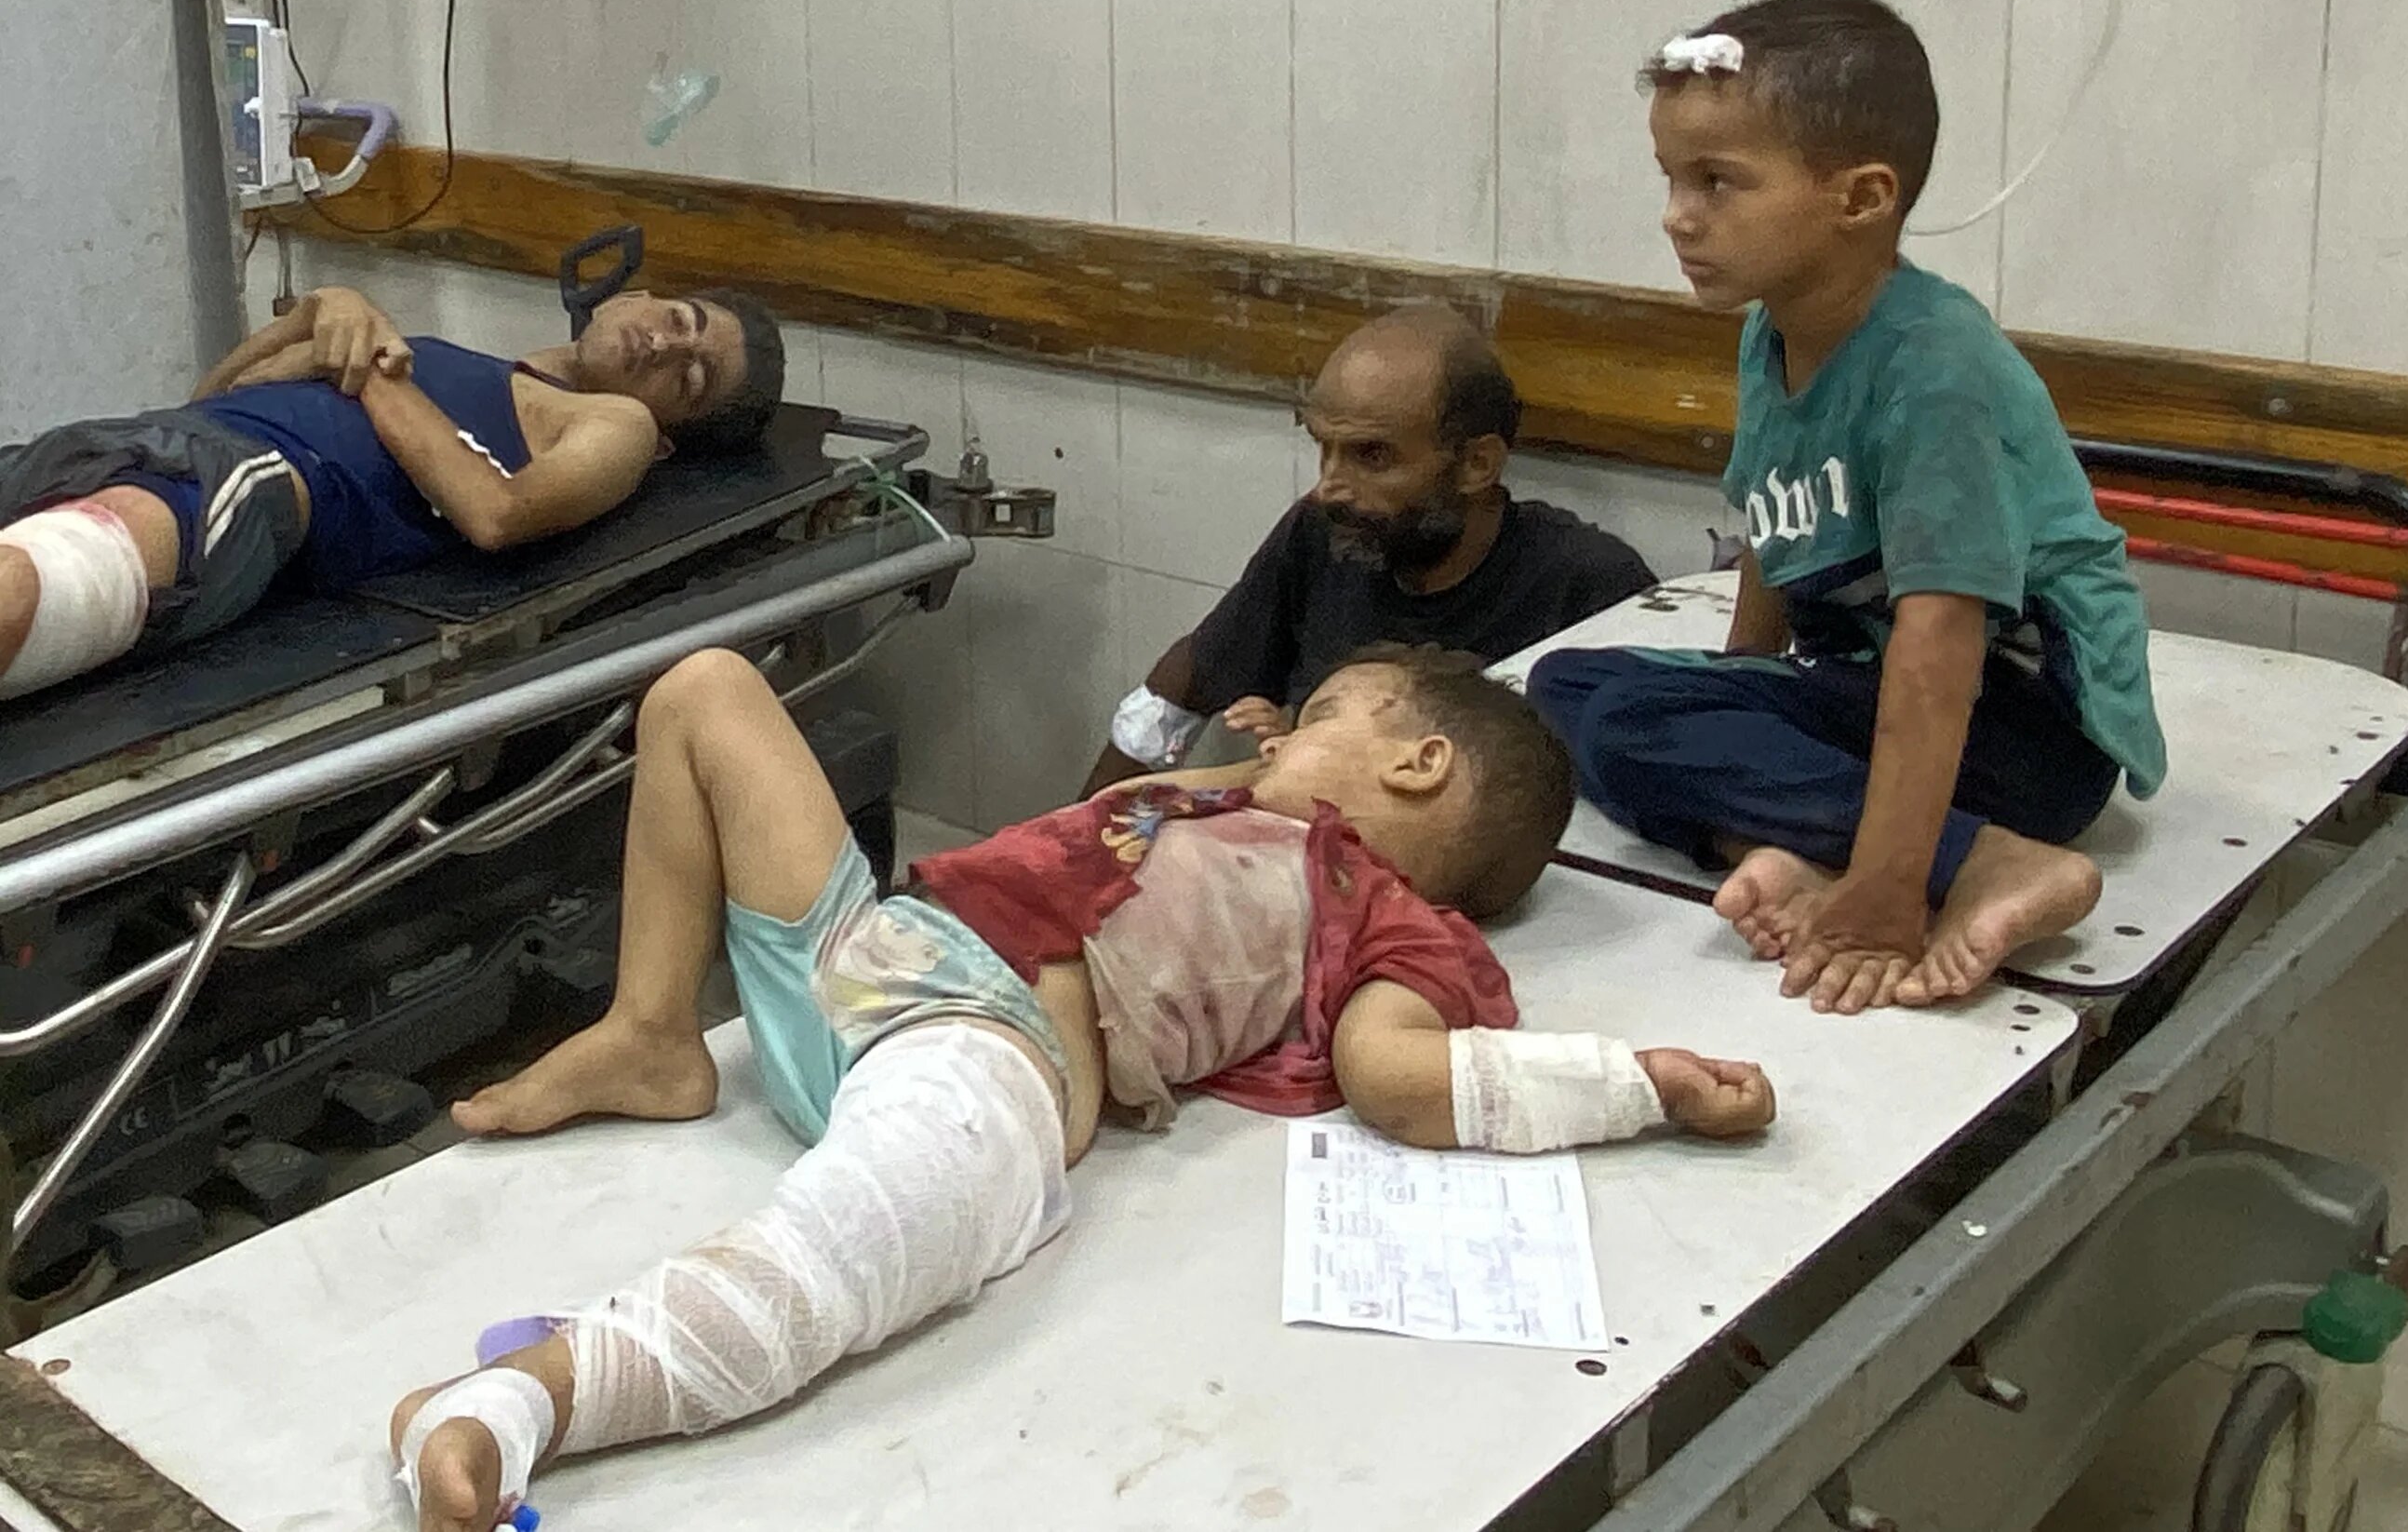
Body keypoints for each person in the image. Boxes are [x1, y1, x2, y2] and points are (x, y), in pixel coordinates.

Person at [386, 643, 1775, 1530]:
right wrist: (1264, 758)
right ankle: (653, 1030)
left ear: (1418, 766)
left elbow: (1396, 1077)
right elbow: (1177, 790)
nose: (1277, 736)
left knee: (852, 1243)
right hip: (876, 949)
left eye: (1322, 718)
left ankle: (528, 1397)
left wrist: (1632, 1083)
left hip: (987, 1044)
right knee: (703, 690)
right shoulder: (1235, 802)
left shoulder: (1377, 907)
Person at [1528, 0, 2165, 1018]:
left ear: (1861, 198)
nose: (1676, 214)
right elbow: (1771, 517)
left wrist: (1887, 895)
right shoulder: (1772, 326)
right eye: (1671, 178)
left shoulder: (1934, 368)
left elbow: (1940, 648)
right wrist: (1738, 694)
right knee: (1567, 686)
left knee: (1636, 724)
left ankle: (1986, 861)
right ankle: (1790, 843)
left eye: (1716, 181)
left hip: (2024, 734)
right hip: (1868, 696)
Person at [0, 281, 784, 700]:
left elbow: (496, 514)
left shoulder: (620, 425)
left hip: (257, 485)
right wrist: (324, 311)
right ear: (633, 296)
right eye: (680, 318)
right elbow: (210, 400)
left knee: (16, 591)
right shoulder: (457, 361)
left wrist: (369, 361)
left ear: (671, 433)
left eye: (690, 378)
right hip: (141, 443)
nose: (666, 342)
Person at [1081, 303, 1657, 796]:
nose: (1329, 487)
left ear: (1476, 464)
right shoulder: (1322, 533)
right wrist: (1070, 838)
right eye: (1324, 448)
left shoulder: (1588, 587)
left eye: (1371, 456)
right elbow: (1191, 675)